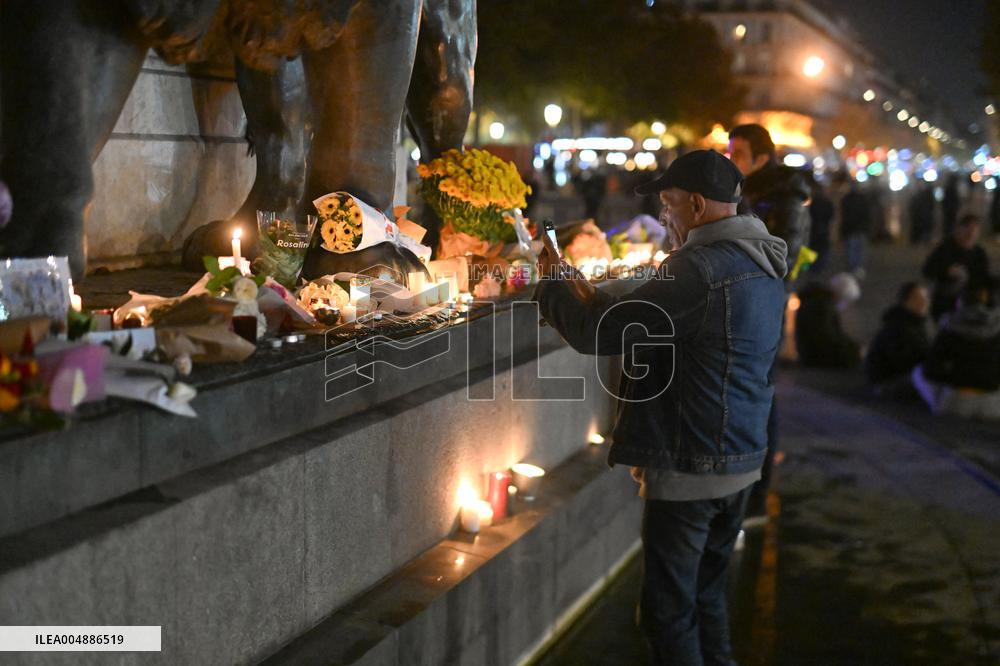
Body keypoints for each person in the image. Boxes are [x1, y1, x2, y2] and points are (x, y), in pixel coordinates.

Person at [534, 150, 787, 665]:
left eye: (668, 205)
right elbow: (657, 309)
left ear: (695, 204)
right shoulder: (761, 257)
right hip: (739, 458)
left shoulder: (699, 268)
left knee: (665, 615)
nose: (665, 217)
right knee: (708, 598)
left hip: (692, 463)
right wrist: (592, 290)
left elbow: (599, 333)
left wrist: (552, 283)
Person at [727, 123, 809, 525]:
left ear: (761, 158)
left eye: (738, 154)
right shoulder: (750, 191)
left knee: (760, 400)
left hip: (762, 310)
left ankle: (757, 498)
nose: (731, 160)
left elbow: (780, 258)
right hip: (746, 306)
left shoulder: (783, 198)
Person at [912, 282, 1000, 418]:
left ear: (960, 303)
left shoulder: (949, 327)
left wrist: (950, 378)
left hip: (956, 400)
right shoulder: (997, 328)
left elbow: (932, 368)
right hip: (993, 402)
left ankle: (938, 405)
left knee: (917, 372)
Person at [922, 214, 992, 321]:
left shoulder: (979, 253)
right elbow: (927, 270)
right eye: (968, 231)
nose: (971, 235)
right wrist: (947, 271)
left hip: (972, 304)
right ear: (960, 229)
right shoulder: (945, 249)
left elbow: (984, 277)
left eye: (974, 232)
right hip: (946, 304)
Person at [865, 282, 931, 392]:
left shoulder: (915, 323)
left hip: (901, 375)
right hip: (888, 382)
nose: (925, 302)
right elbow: (902, 362)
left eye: (926, 297)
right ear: (907, 302)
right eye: (919, 299)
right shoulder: (897, 327)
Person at [794, 273, 862, 368]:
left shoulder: (818, 300)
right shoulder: (822, 307)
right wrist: (853, 348)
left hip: (811, 353)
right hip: (814, 356)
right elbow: (827, 337)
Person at [840, 181, 872, 278]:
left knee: (855, 249)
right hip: (855, 228)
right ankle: (855, 268)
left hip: (855, 228)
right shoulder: (860, 199)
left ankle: (855, 268)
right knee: (855, 249)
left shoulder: (848, 199)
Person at [807, 175, 834, 272]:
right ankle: (818, 269)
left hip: (813, 231)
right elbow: (831, 217)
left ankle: (812, 269)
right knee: (822, 252)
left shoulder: (812, 202)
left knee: (814, 250)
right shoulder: (827, 202)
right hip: (822, 231)